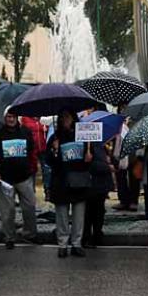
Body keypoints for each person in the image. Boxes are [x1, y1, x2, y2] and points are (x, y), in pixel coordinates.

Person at [0, 113, 38, 250]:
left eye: (13, 116)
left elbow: (33, 151)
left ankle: (30, 234)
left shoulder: (25, 132)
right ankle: (9, 237)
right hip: (5, 179)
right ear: (4, 118)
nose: (11, 119)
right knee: (7, 211)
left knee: (30, 207)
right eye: (8, 117)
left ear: (17, 118)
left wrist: (32, 168)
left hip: (24, 177)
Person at [45, 110, 91, 257]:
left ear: (73, 119)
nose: (66, 120)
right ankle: (63, 244)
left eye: (68, 117)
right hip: (61, 182)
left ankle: (76, 243)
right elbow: (49, 161)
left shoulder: (83, 136)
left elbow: (89, 159)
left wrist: (89, 156)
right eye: (63, 117)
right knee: (62, 216)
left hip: (79, 180)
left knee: (79, 215)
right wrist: (54, 150)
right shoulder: (55, 137)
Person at [82, 126, 116, 248]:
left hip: (101, 185)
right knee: (89, 213)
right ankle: (87, 237)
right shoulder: (88, 145)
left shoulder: (102, 145)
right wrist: (108, 167)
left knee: (99, 212)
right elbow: (92, 165)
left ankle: (97, 235)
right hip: (92, 184)